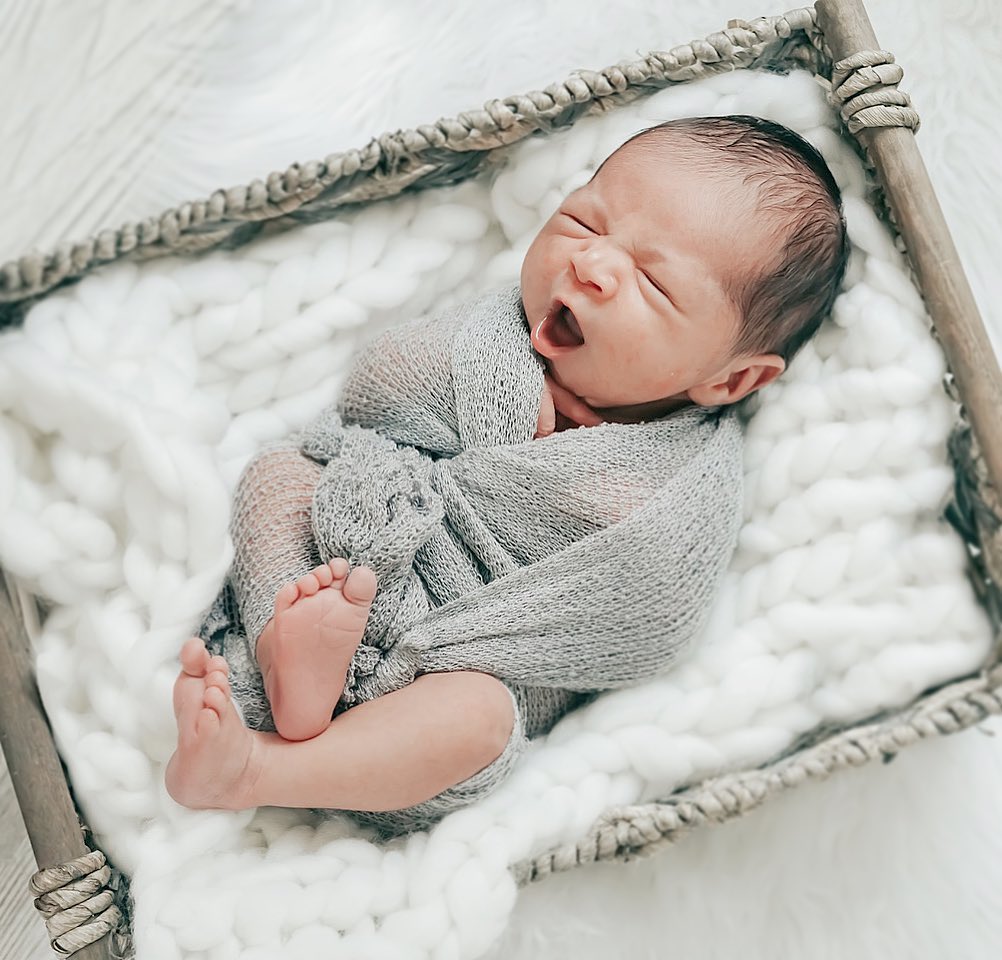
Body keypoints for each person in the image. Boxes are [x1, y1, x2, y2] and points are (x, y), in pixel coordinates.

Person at [165, 115, 849, 830]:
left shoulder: (680, 487)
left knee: (480, 720)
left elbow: (656, 617)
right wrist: (496, 406)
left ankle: (258, 767)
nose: (593, 263)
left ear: (732, 379)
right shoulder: (485, 339)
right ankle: (287, 651)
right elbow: (373, 395)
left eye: (652, 281)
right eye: (585, 220)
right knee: (281, 476)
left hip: (443, 677)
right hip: (349, 569)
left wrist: (588, 497)